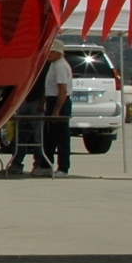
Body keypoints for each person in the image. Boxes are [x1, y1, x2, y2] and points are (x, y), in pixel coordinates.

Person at [33, 45, 74, 177]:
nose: (48, 54)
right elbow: (49, 87)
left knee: (61, 137)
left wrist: (57, 110)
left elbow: (62, 90)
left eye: (51, 52)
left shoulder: (61, 66)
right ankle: (46, 165)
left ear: (58, 52)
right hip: (51, 100)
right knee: (48, 136)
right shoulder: (53, 65)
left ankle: (63, 168)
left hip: (60, 102)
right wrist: (43, 102)